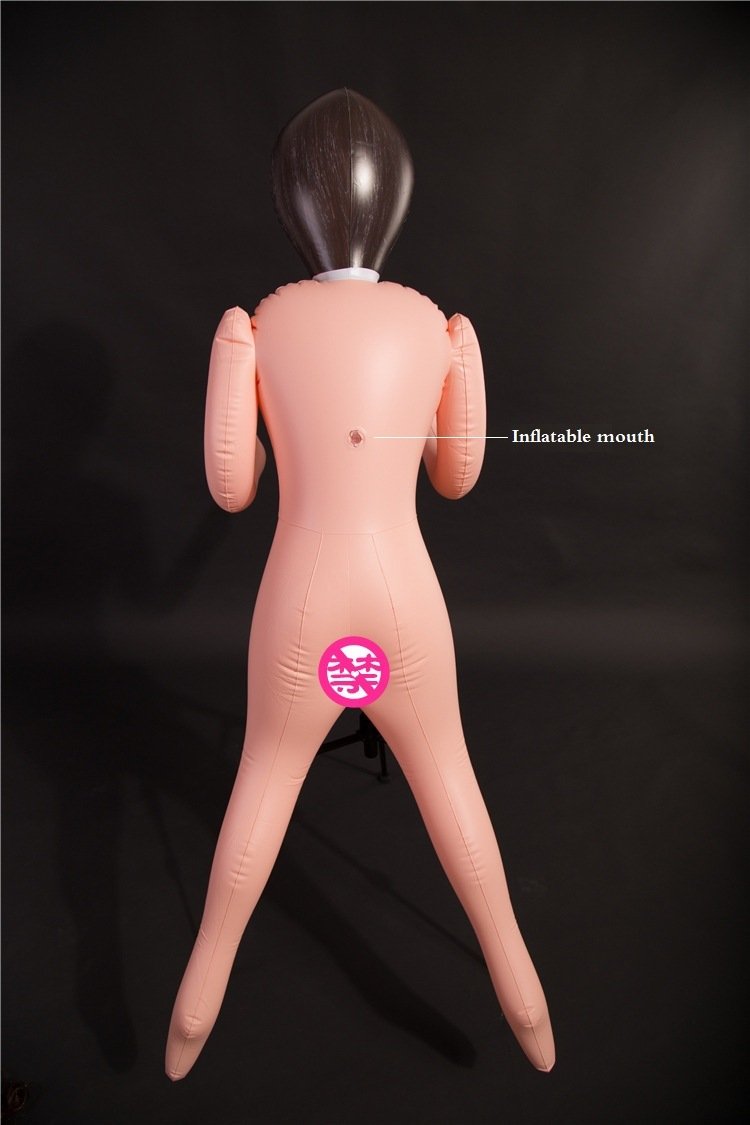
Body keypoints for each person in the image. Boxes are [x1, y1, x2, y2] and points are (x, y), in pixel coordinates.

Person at [165, 88, 555, 1080]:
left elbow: (231, 486)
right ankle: (524, 997)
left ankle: (193, 1010)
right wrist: (461, 362)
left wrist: (252, 393)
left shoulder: (257, 325)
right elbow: (458, 477)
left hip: (299, 599)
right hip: (403, 599)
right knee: (451, 781)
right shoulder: (434, 326)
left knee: (262, 782)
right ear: (397, 202)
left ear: (292, 203)